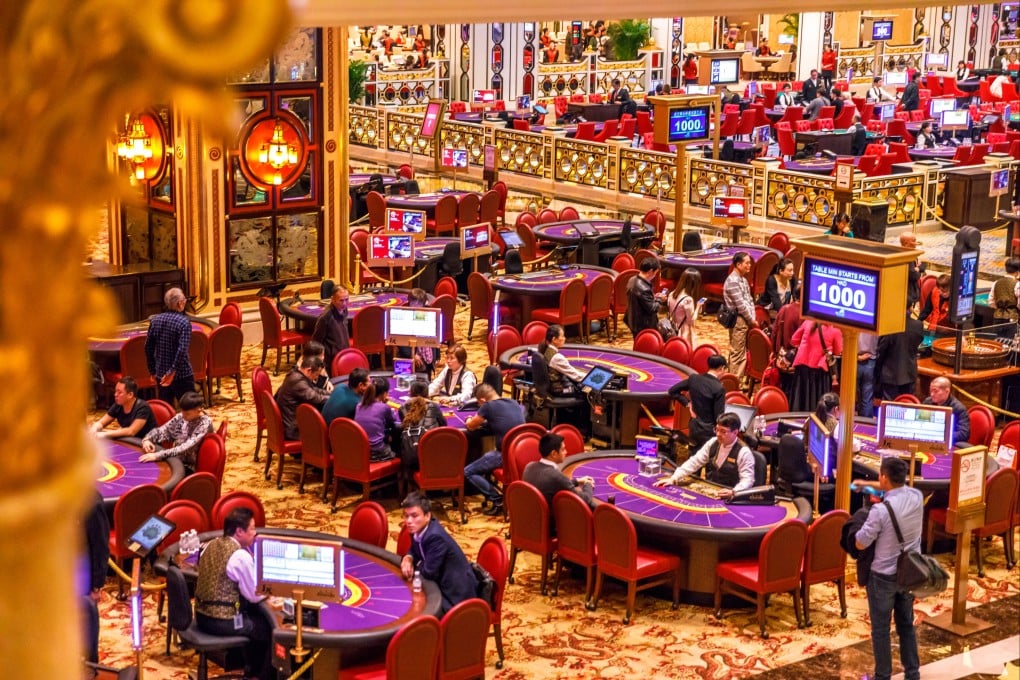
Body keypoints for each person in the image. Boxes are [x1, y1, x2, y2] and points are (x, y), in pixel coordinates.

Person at [854, 457, 923, 680]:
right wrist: (867, 485)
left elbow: (861, 542)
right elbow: (898, 493)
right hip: (910, 572)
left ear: (884, 477)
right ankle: (913, 673)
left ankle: (882, 675)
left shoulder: (879, 512)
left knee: (881, 629)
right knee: (906, 624)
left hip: (882, 577)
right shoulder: (916, 497)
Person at [194, 508, 274, 680]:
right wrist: (273, 589)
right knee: (270, 629)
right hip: (221, 622)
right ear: (239, 531)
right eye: (252, 528)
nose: (255, 532)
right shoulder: (239, 556)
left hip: (201, 617)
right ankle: (260, 676)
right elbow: (254, 594)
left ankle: (250, 670)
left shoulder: (210, 544)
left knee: (253, 616)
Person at [399, 492, 476, 614]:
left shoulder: (435, 536)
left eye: (414, 516)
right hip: (439, 585)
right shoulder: (418, 528)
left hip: (454, 597)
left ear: (427, 515)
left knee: (414, 612)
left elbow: (429, 573)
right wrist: (408, 558)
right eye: (406, 516)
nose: (408, 521)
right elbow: (414, 550)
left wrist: (416, 565)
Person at [652, 413, 756, 499]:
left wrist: (734, 492)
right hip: (710, 490)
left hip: (730, 494)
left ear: (735, 432)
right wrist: (674, 478)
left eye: (723, 431)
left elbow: (748, 480)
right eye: (717, 429)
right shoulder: (713, 442)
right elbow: (695, 462)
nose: (718, 434)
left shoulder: (744, 452)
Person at [463, 383, 526, 515]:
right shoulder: (513, 402)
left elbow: (471, 426)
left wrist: (469, 418)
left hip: (504, 455)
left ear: (482, 400)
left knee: (468, 472)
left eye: (479, 404)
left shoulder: (488, 406)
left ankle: (497, 499)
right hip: (522, 453)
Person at [522, 432, 595, 530]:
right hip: (549, 528)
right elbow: (584, 500)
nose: (566, 452)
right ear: (554, 454)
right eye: (563, 449)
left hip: (527, 522)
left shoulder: (529, 466)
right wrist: (588, 484)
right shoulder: (556, 477)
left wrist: (577, 481)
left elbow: (551, 485)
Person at [139, 391, 212, 472]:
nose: (183, 416)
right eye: (182, 412)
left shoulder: (205, 424)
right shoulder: (181, 416)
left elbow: (185, 448)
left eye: (187, 414)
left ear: (199, 410)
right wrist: (148, 439)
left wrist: (158, 455)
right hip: (174, 458)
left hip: (190, 466)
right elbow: (163, 430)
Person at [144, 287, 194, 404]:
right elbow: (182, 351)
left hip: (161, 374)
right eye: (184, 300)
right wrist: (172, 372)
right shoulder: (184, 322)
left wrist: (152, 370)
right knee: (191, 411)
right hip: (182, 374)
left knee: (167, 413)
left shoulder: (155, 320)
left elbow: (148, 347)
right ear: (179, 303)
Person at [667, 354, 727, 448]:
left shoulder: (694, 378)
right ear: (722, 368)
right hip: (709, 432)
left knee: (693, 455)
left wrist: (688, 403)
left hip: (694, 426)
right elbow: (718, 417)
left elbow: (672, 391)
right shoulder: (719, 388)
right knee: (706, 459)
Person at [80, 490, 109, 665]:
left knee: (86, 632)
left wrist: (97, 585)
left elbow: (100, 547)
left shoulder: (91, 501)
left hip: (83, 581)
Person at [790, 319, 843, 412]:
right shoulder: (835, 330)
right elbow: (838, 351)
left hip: (802, 367)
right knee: (817, 405)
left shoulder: (807, 322)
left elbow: (794, 340)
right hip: (820, 371)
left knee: (799, 402)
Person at [274, 356, 329, 441]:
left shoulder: (296, 374)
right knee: (328, 433)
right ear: (309, 370)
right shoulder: (298, 381)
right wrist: (333, 399)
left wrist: (331, 394)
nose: (316, 378)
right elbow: (315, 398)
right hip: (293, 429)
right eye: (317, 374)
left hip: (291, 420)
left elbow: (314, 389)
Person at [397, 379, 446, 473]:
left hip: (410, 456)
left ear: (410, 393)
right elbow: (443, 426)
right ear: (427, 394)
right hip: (431, 456)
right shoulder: (434, 406)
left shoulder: (403, 408)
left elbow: (403, 427)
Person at [723, 252, 757, 379]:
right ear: (738, 264)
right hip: (738, 320)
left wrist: (752, 317)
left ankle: (736, 381)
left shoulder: (742, 279)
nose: (749, 265)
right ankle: (734, 384)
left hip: (745, 320)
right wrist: (751, 319)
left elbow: (749, 300)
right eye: (747, 263)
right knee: (737, 353)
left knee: (740, 352)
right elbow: (741, 306)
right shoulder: (732, 281)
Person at [876, 310, 925, 400]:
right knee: (907, 404)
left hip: (890, 373)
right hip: (909, 372)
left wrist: (877, 368)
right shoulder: (918, 325)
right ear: (911, 308)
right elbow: (919, 342)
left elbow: (881, 349)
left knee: (890, 407)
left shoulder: (890, 325)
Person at [91, 376, 157, 439]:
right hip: (130, 440)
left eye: (119, 392)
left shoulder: (143, 407)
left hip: (147, 442)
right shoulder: (118, 405)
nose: (115, 394)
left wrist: (104, 434)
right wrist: (94, 428)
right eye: (115, 391)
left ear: (130, 395)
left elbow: (131, 431)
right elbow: (102, 423)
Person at [355, 376, 399, 461]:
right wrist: (385, 404)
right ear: (385, 394)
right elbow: (393, 421)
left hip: (360, 450)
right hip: (375, 453)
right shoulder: (384, 407)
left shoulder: (359, 405)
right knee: (397, 448)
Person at [538, 324, 587, 393]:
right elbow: (576, 376)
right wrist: (590, 377)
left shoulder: (545, 349)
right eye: (562, 336)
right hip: (558, 390)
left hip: (552, 386)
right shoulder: (557, 358)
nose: (565, 338)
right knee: (584, 390)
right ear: (554, 339)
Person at [312, 286, 350, 373]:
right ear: (333, 299)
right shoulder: (325, 317)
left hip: (343, 355)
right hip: (330, 361)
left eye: (347, 299)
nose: (344, 303)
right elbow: (316, 341)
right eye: (341, 300)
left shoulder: (344, 310)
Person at [923, 376, 971, 445]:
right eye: (931, 391)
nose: (932, 394)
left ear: (947, 391)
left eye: (935, 391)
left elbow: (964, 434)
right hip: (927, 440)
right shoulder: (927, 402)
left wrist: (941, 435)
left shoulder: (959, 408)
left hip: (948, 443)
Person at [666, 268, 703, 347]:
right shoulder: (688, 300)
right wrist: (698, 307)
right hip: (684, 331)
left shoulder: (672, 294)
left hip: (673, 328)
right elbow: (691, 320)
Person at [625, 257, 661, 336]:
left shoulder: (632, 279)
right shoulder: (644, 288)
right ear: (651, 271)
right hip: (643, 325)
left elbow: (640, 300)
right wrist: (659, 299)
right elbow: (652, 309)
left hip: (632, 320)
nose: (655, 276)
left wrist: (653, 297)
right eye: (655, 273)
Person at [992, 257, 1020, 335]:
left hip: (997, 317)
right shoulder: (1017, 284)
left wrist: (1000, 307)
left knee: (998, 342)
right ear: (1017, 272)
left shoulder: (996, 282)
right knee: (1009, 344)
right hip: (1012, 318)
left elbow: (991, 301)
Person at [899, 232, 926, 312]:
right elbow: (914, 275)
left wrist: (917, 268)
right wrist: (917, 269)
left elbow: (923, 266)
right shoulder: (904, 256)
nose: (915, 243)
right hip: (907, 292)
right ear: (906, 243)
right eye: (913, 241)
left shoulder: (912, 253)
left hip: (912, 291)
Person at [856, 332, 879, 417]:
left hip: (856, 360)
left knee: (858, 396)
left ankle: (858, 422)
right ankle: (866, 424)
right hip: (871, 361)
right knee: (867, 397)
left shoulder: (856, 323)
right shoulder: (877, 326)